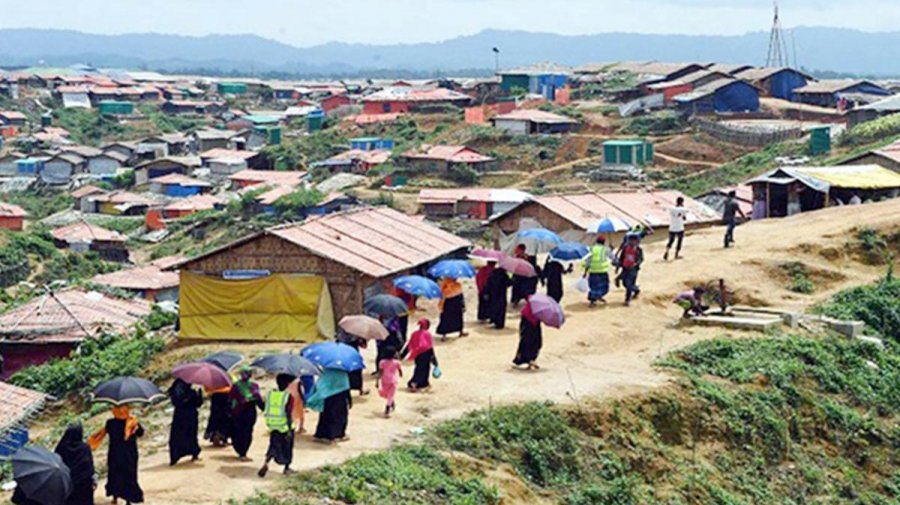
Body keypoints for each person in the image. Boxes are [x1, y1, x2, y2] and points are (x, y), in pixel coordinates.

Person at [88, 406, 144, 505]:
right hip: (129, 454)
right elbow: (141, 433)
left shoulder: (110, 423)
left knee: (115, 475)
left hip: (115, 453)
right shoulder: (132, 422)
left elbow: (104, 432)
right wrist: (136, 428)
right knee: (129, 475)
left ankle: (115, 497)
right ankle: (128, 499)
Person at [258, 374, 296, 477]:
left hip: (273, 424)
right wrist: (288, 429)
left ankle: (266, 462)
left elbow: (265, 407)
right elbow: (288, 413)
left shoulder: (270, 395)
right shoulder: (288, 397)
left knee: (273, 444)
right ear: (288, 384)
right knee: (287, 447)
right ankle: (287, 468)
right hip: (284, 425)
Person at [54, 423, 96, 505]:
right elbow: (89, 466)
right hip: (84, 484)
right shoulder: (84, 448)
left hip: (67, 483)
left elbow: (56, 462)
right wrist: (93, 480)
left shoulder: (62, 447)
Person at [229, 366, 264, 461]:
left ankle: (240, 451)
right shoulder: (254, 386)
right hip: (249, 413)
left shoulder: (236, 386)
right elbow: (258, 400)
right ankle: (243, 453)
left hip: (237, 412)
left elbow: (231, 399)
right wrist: (265, 409)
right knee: (247, 432)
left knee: (237, 432)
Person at [308, 368, 352, 444]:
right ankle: (336, 435)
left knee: (325, 416)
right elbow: (346, 387)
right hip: (340, 399)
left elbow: (320, 384)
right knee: (339, 417)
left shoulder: (326, 372)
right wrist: (349, 399)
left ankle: (321, 434)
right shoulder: (342, 373)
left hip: (327, 398)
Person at [167, 378, 203, 466]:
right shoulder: (189, 392)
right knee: (190, 435)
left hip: (180, 417)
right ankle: (193, 452)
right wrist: (195, 395)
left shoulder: (175, 390)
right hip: (189, 416)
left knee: (178, 437)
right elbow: (197, 403)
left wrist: (197, 394)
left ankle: (175, 457)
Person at [405, 318, 438, 391]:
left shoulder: (414, 334)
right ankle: (415, 383)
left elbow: (409, 345)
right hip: (426, 354)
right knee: (424, 369)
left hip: (417, 355)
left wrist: (402, 355)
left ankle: (424, 383)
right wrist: (434, 359)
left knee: (418, 368)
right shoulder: (427, 334)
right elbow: (429, 347)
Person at [583, 235, 615, 306]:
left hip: (593, 271)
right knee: (604, 286)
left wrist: (585, 271)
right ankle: (598, 296)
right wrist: (612, 250)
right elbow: (612, 257)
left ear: (596, 241)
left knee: (593, 286)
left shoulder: (591, 249)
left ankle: (593, 299)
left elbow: (588, 260)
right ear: (604, 242)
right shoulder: (605, 249)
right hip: (602, 271)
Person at [513, 296, 543, 370]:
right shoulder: (533, 310)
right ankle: (530, 360)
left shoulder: (527, 309)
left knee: (531, 343)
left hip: (530, 327)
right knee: (531, 343)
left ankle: (530, 360)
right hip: (530, 328)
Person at [617, 234, 644, 306]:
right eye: (631, 241)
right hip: (625, 268)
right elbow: (621, 258)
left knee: (629, 284)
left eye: (634, 241)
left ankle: (627, 300)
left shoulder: (638, 249)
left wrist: (635, 264)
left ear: (637, 241)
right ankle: (636, 290)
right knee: (624, 283)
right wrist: (618, 267)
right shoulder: (625, 248)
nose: (632, 242)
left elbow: (641, 259)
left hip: (633, 270)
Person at [376, 347, 403, 416]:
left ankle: (391, 403)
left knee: (386, 393)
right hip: (393, 380)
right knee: (391, 394)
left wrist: (377, 381)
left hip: (384, 380)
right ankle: (388, 407)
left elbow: (380, 372)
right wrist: (401, 374)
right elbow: (400, 371)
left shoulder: (382, 362)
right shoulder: (397, 362)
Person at [484, 264, 511, 329]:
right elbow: (509, 283)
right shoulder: (504, 275)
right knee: (501, 309)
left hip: (493, 295)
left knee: (494, 307)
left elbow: (488, 283)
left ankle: (494, 321)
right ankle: (500, 324)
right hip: (501, 295)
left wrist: (486, 293)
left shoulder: (493, 274)